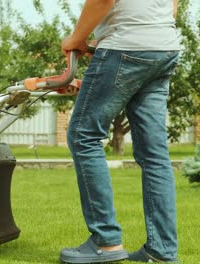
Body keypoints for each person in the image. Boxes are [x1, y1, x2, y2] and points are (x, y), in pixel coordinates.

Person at [60, 0, 180, 263]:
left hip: (126, 45)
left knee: (83, 135)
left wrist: (77, 39)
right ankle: (161, 250)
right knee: (155, 153)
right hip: (164, 46)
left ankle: (106, 241)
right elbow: (172, 7)